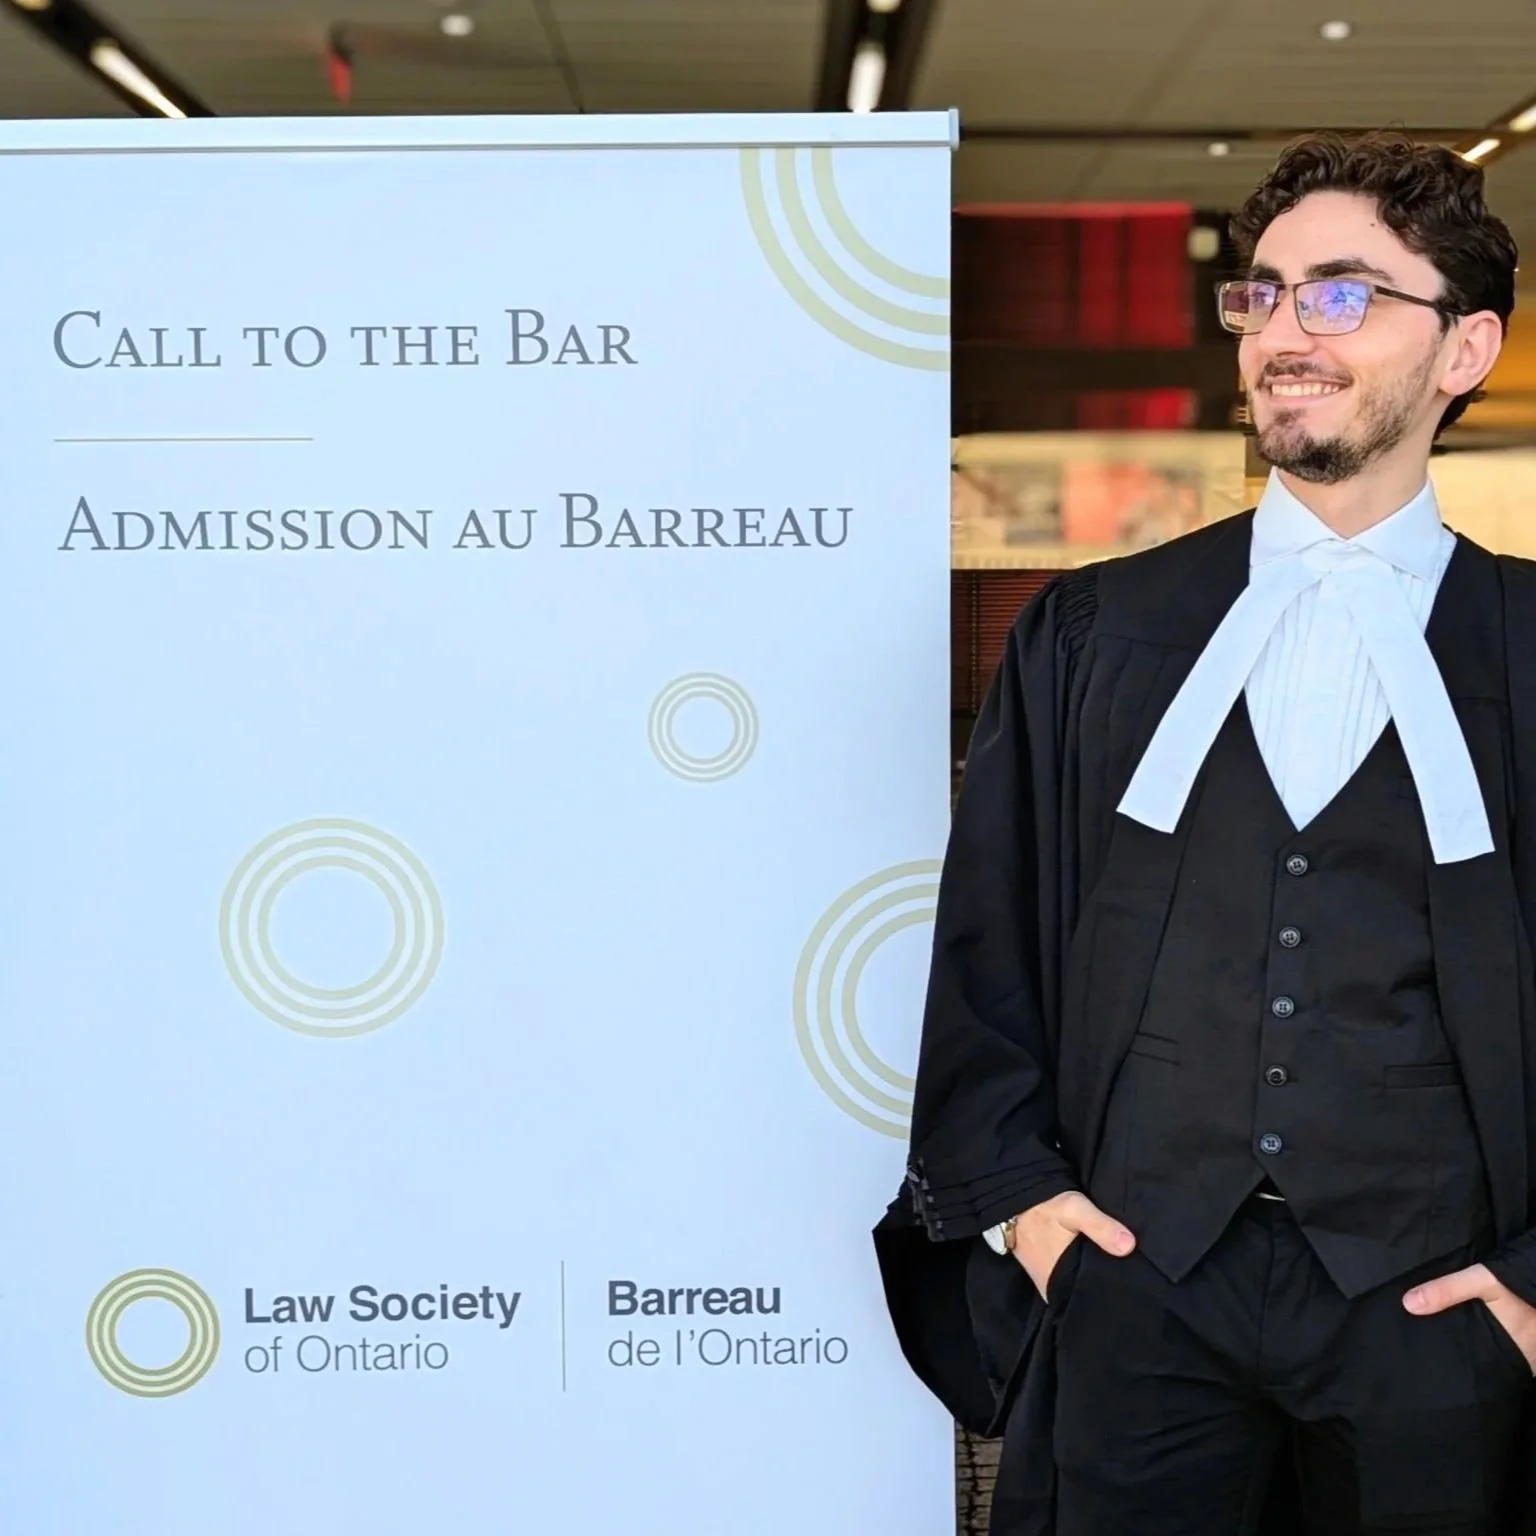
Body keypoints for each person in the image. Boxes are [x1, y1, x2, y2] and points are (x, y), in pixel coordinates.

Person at [875, 130, 1536, 1535]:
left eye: (1344, 295)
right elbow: (987, 945)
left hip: (1437, 1317)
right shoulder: (1098, 631)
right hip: (1138, 1295)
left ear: (1465, 348)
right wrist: (1032, 1215)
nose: (1285, 332)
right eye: (1264, 294)